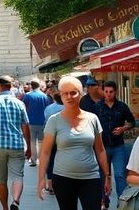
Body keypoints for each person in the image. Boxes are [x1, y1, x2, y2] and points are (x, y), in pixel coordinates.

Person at [37, 75, 110, 210]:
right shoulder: (54, 120)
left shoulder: (92, 119)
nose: (69, 97)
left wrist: (107, 176)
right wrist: (41, 178)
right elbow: (45, 152)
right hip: (63, 178)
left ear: (81, 94)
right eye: (65, 94)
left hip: (91, 177)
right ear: (61, 96)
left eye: (73, 93)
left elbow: (100, 150)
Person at [0, 76, 32, 210]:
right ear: (11, 87)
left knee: (1, 180)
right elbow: (25, 126)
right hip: (16, 144)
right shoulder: (19, 103)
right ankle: (15, 201)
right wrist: (29, 146)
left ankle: (5, 207)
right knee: (18, 176)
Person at [96, 80, 136, 208]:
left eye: (111, 92)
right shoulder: (98, 107)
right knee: (103, 175)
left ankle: (122, 202)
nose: (108, 94)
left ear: (116, 92)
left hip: (118, 146)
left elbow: (131, 122)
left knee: (120, 175)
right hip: (102, 147)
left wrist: (123, 128)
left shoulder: (122, 106)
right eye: (106, 91)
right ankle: (104, 201)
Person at [22, 79, 53, 167]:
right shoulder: (44, 96)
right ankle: (41, 159)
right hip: (43, 121)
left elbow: (23, 106)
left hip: (31, 121)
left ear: (31, 86)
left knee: (32, 141)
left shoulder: (28, 96)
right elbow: (48, 108)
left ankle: (34, 160)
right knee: (41, 141)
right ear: (39, 86)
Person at [43, 89, 65, 196]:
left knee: (50, 159)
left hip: (50, 136)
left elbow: (45, 120)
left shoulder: (48, 108)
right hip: (63, 138)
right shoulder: (67, 108)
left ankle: (50, 184)